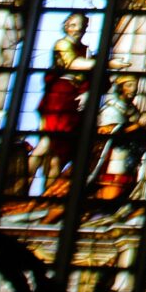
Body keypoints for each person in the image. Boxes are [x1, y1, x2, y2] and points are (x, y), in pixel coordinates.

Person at [33, 12, 93, 197]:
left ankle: (47, 197)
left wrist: (86, 92)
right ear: (66, 26)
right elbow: (73, 64)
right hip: (59, 98)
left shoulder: (86, 49)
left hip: (73, 102)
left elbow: (88, 77)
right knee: (46, 145)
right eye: (74, 25)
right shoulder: (62, 44)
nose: (78, 29)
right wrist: (105, 62)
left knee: (58, 155)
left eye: (82, 26)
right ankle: (16, 187)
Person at [90, 74, 146, 207]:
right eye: (129, 85)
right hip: (110, 156)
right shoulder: (111, 109)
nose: (133, 89)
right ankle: (95, 205)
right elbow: (109, 133)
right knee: (111, 189)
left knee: (124, 186)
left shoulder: (133, 110)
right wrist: (138, 125)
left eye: (135, 86)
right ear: (120, 88)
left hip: (129, 156)